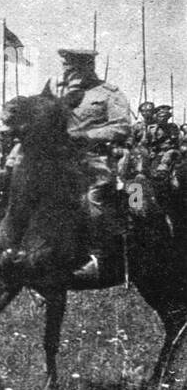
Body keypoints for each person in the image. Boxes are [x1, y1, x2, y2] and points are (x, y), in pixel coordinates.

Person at [44, 48, 134, 281]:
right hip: (60, 160)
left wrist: (87, 135)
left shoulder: (108, 93)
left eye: (73, 69)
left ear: (88, 68)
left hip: (96, 159)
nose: (67, 73)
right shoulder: (56, 92)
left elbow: (122, 126)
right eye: (65, 67)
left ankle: (101, 257)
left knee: (92, 200)